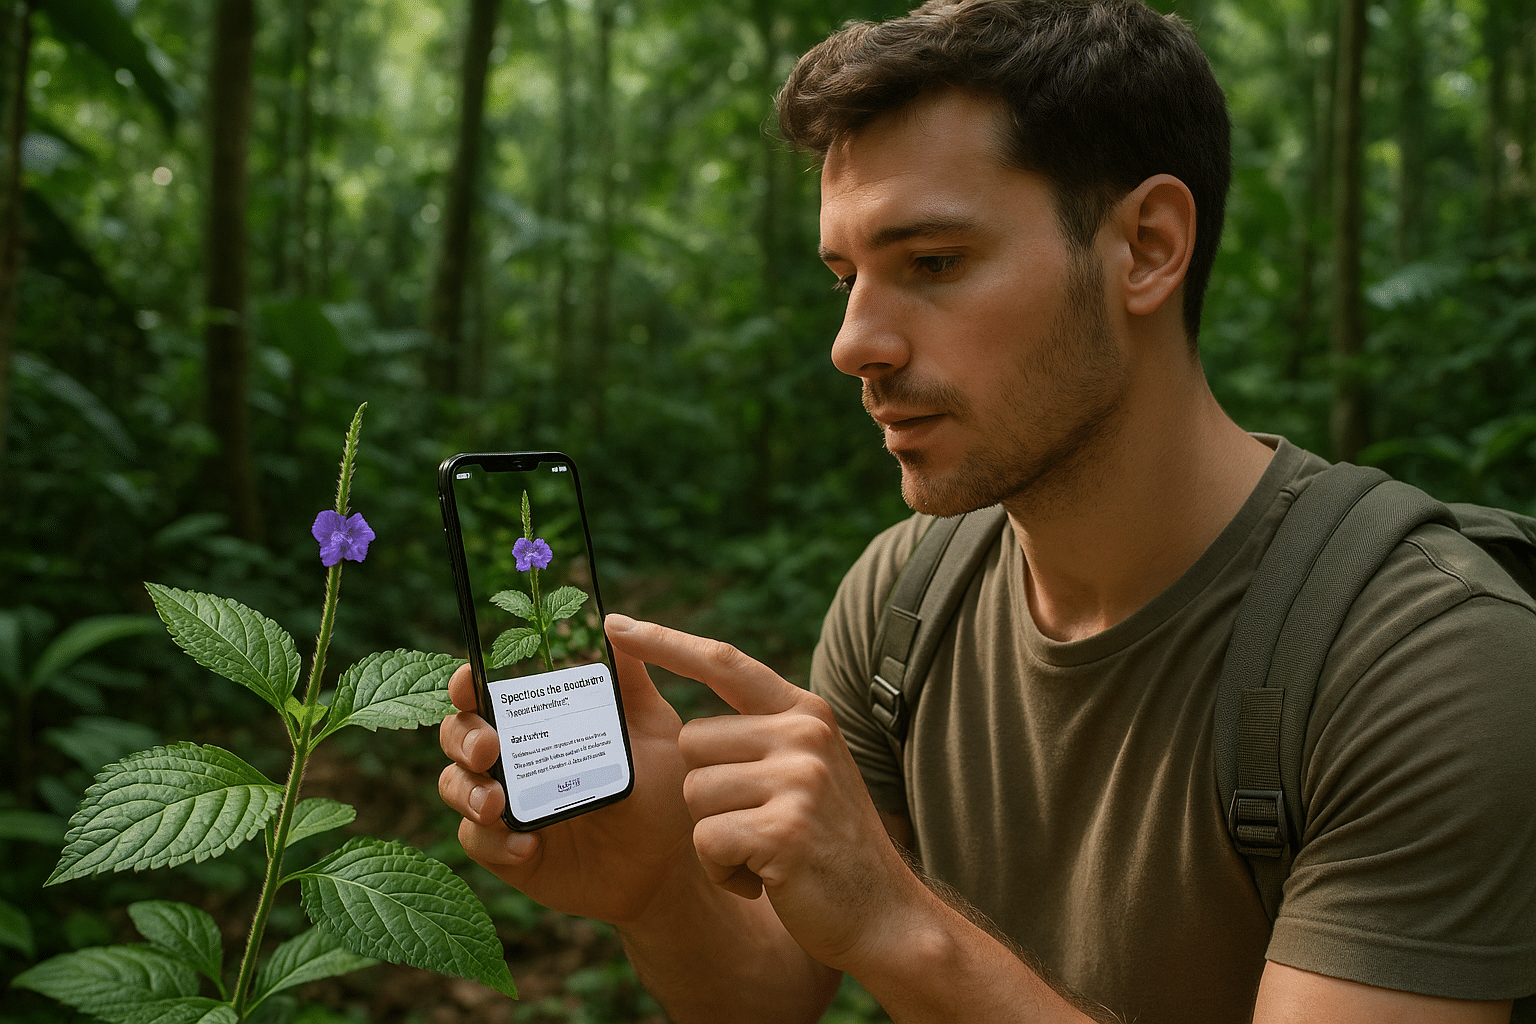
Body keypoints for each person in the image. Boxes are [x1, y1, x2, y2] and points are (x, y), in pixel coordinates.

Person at [438, 1, 1536, 1020]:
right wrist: (659, 891)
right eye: (844, 277)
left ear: (1148, 246)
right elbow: (773, 995)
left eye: (934, 260)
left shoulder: (1428, 660)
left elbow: (890, 934)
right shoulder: (903, 599)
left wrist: (903, 923)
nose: (854, 343)